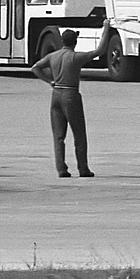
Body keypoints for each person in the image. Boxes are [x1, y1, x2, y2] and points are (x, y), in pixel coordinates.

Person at [30, 26, 116, 177]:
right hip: (70, 95)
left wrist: (50, 81)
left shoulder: (53, 57)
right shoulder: (76, 57)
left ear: (62, 41)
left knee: (58, 136)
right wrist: (106, 29)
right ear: (75, 42)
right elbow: (100, 51)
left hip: (56, 95)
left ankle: (61, 169)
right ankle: (83, 168)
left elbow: (35, 68)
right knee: (79, 134)